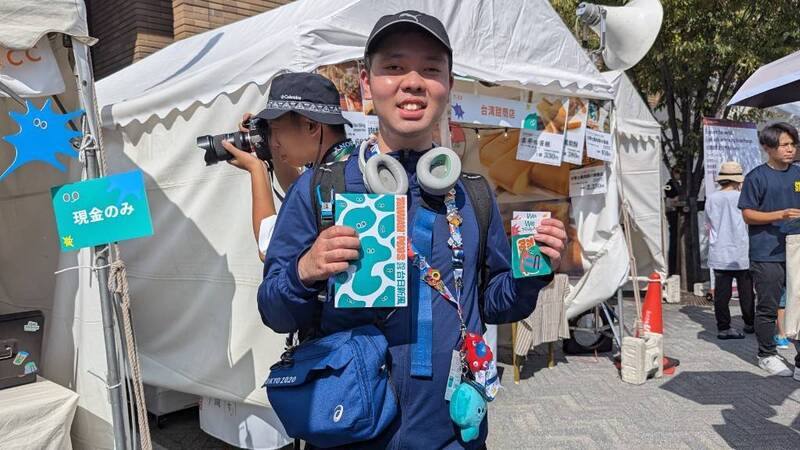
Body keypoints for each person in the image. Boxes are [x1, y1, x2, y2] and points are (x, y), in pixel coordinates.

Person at [258, 11, 567, 448]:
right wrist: (304, 271)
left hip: (454, 435)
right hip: (349, 430)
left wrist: (530, 273)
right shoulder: (320, 187)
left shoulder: (472, 196)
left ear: (448, 84)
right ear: (366, 83)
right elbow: (273, 310)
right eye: (395, 67)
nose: (413, 81)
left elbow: (495, 304)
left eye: (430, 69)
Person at [223, 72, 356, 261]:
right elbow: (306, 197)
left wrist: (256, 169)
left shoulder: (334, 181)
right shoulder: (346, 165)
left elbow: (270, 248)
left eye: (276, 130)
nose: (275, 142)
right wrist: (265, 142)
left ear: (311, 126)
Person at [738, 122, 800, 378]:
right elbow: (748, 214)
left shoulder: (798, 175)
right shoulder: (756, 177)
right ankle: (767, 354)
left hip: (796, 249)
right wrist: (780, 214)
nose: (790, 149)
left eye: (793, 144)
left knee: (799, 305)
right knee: (768, 305)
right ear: (767, 147)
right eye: (784, 144)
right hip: (766, 252)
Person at [705, 161, 754, 339]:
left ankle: (723, 327)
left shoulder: (712, 198)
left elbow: (708, 223)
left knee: (722, 294)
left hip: (720, 250)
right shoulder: (742, 197)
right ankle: (750, 323)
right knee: (746, 291)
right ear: (738, 180)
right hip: (742, 249)